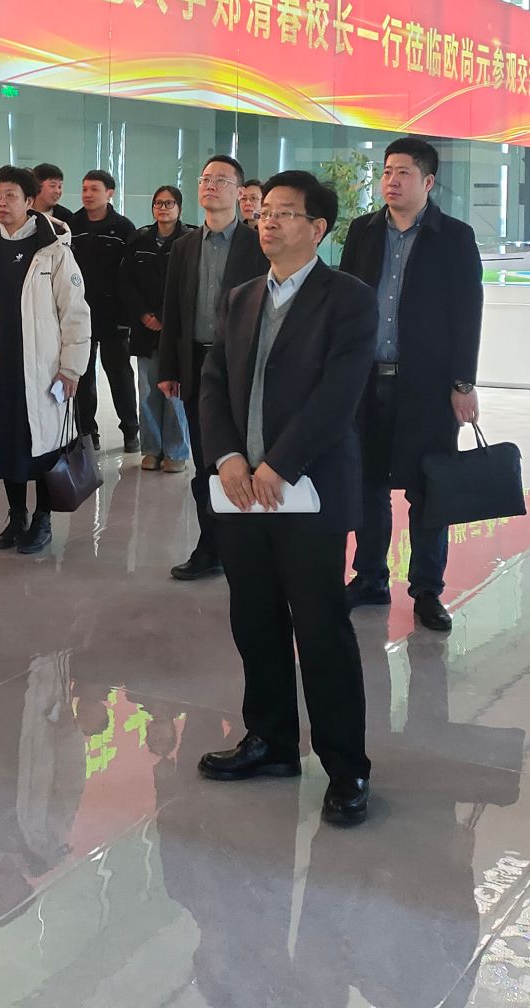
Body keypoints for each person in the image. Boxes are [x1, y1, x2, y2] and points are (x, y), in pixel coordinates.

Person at [196, 170, 376, 828]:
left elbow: (339, 394)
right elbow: (213, 384)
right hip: (242, 492)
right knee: (255, 620)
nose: (267, 222)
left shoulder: (348, 298)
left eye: (284, 213)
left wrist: (281, 462)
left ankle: (346, 766)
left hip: (308, 493)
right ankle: (270, 740)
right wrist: (229, 457)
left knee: (321, 629)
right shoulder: (241, 296)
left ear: (318, 228)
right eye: (264, 212)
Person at [338, 135, 484, 630]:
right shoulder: (362, 231)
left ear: (428, 181)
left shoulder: (454, 237)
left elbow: (467, 313)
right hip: (365, 381)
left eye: (403, 172)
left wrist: (463, 383)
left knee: (428, 489)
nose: (392, 181)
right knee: (367, 485)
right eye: (386, 171)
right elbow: (345, 303)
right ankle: (369, 577)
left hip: (426, 386)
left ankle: (426, 590)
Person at [0, 166, 90, 555]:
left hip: (43, 368)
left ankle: (43, 520)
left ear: (30, 201)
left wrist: (71, 368)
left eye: (11, 196)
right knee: (6, 443)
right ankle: (16, 517)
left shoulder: (53, 248)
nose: (1, 203)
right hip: (0, 365)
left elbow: (75, 312)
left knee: (45, 446)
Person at [156, 156, 267, 581]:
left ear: (239, 192)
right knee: (205, 462)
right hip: (195, 364)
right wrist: (168, 368)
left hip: (242, 368)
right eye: (205, 179)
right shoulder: (185, 245)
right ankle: (210, 546)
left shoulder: (256, 244)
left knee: (243, 458)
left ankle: (248, 546)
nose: (210, 186)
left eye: (221, 180)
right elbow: (173, 310)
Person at [118, 185, 191, 473]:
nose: (163, 208)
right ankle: (151, 449)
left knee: (174, 390)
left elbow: (188, 285)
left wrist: (163, 316)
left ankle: (176, 451)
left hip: (177, 328)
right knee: (147, 388)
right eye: (158, 203)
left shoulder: (190, 240)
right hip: (144, 327)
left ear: (179, 208)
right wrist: (144, 315)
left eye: (169, 203)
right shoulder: (139, 240)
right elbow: (125, 282)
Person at [65, 168, 139, 452]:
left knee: (119, 374)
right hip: (79, 312)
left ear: (109, 193)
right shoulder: (72, 225)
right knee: (83, 375)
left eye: (94, 189)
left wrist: (128, 314)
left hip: (113, 314)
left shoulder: (123, 228)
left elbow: (130, 274)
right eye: (84, 189)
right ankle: (87, 432)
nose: (87, 194)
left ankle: (130, 430)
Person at [31, 162, 74, 226]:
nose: (58, 191)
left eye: (60, 187)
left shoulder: (66, 216)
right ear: (37, 185)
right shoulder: (22, 213)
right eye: (53, 185)